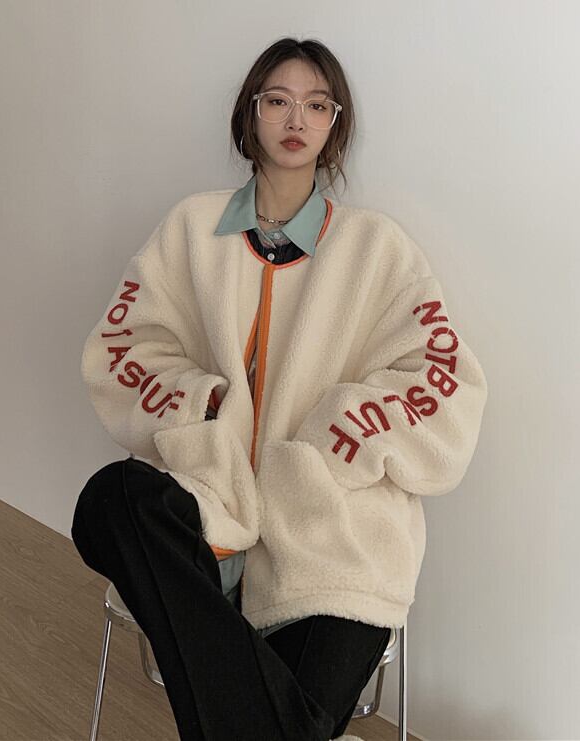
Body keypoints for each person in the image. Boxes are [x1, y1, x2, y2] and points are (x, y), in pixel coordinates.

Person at [72, 36, 488, 741]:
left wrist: (333, 439)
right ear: (250, 113)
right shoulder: (191, 228)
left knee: (270, 717)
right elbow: (121, 348)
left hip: (333, 527)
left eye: (317, 105)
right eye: (278, 101)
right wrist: (203, 406)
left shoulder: (376, 248)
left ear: (335, 124)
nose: (297, 119)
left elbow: (444, 380)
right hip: (211, 501)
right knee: (109, 500)